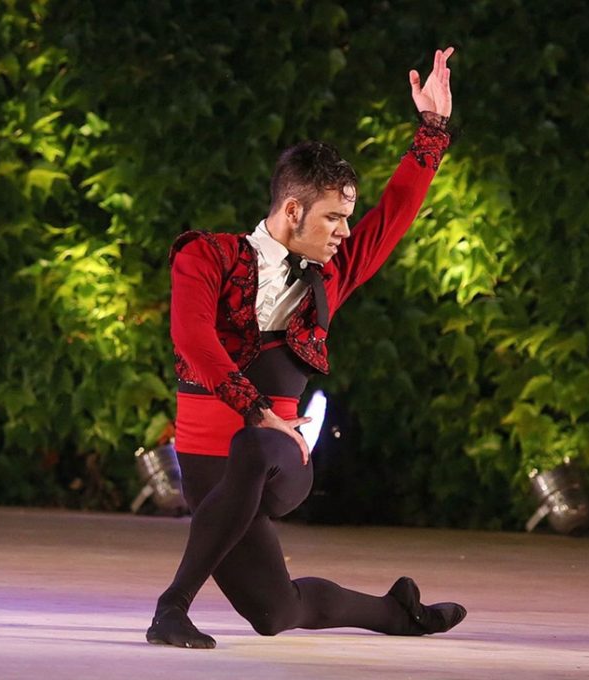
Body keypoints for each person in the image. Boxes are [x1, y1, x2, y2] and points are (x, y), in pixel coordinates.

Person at [148, 47, 465, 649]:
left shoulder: (331, 277)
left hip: (281, 460)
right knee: (275, 612)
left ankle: (172, 606)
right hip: (208, 462)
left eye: (347, 218)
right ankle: (397, 612)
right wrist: (253, 406)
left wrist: (432, 129)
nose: (345, 232)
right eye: (334, 218)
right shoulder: (205, 256)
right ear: (292, 210)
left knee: (256, 443)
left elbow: (394, 214)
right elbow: (191, 336)